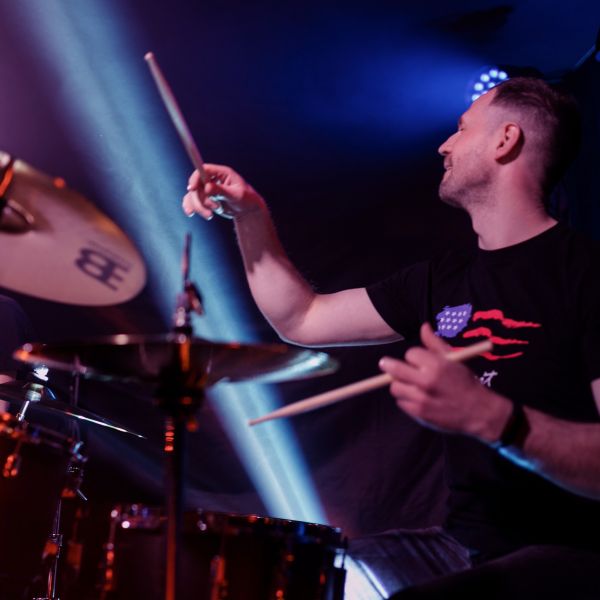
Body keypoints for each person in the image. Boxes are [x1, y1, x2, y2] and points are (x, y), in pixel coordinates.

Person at [182, 77, 600, 598]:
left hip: (573, 554)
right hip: (459, 547)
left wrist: (491, 417)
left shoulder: (587, 275)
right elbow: (302, 318)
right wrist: (250, 214)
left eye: (462, 128)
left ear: (505, 140)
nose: (444, 145)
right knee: (306, 577)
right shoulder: (442, 280)